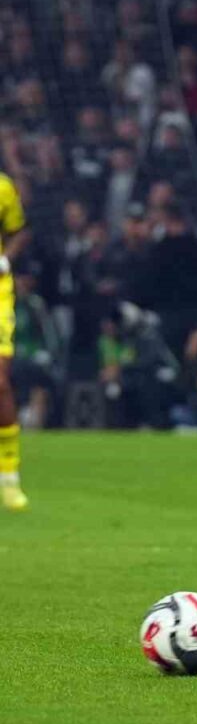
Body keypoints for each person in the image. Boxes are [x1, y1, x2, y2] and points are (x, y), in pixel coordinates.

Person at [0, 172, 31, 511]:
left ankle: (8, 477)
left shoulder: (3, 188)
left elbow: (19, 230)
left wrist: (6, 258)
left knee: (0, 382)